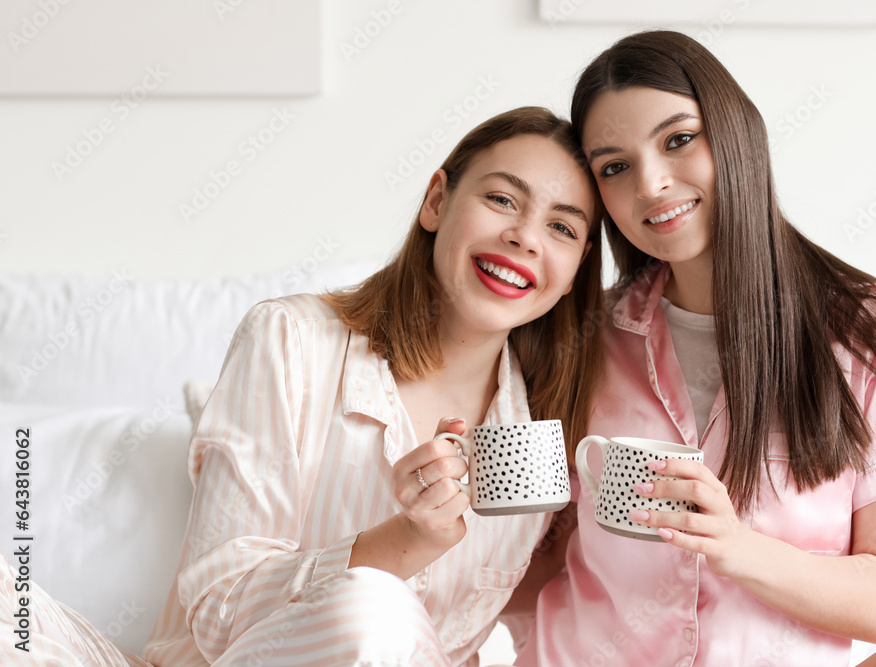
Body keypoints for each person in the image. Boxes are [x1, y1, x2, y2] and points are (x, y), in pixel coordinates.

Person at [0, 106, 605, 666]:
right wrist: (407, 539)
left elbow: (569, 627)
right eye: (502, 199)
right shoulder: (292, 340)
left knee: (380, 613)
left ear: (575, 270)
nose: (526, 236)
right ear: (437, 201)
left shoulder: (547, 432)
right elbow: (217, 609)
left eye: (563, 229)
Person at [511, 31, 876, 666]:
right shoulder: (585, 336)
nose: (652, 183)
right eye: (615, 167)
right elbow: (542, 556)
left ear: (736, 132)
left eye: (679, 139)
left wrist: (732, 544)